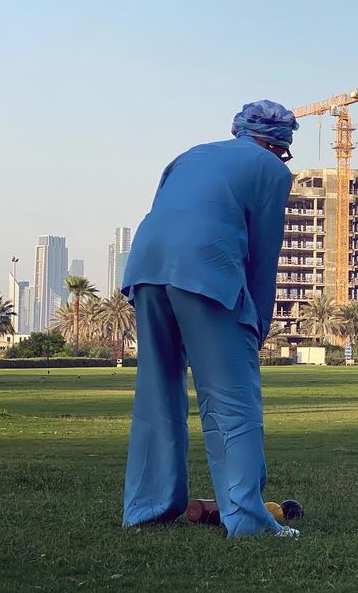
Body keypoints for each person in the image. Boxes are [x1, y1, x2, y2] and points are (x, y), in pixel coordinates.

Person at [121, 100, 299, 538]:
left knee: (156, 392)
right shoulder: (272, 170)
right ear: (280, 144)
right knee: (231, 400)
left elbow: (166, 213)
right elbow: (263, 253)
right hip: (205, 270)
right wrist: (257, 322)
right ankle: (248, 520)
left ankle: (147, 509)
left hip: (146, 267)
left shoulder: (189, 155)